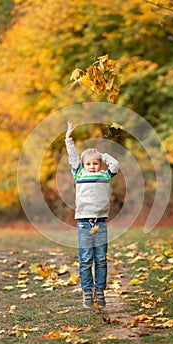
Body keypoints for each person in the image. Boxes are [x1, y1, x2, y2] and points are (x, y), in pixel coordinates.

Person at [65, 121, 119, 308]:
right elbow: (73, 157)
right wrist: (69, 138)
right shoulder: (79, 173)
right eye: (88, 163)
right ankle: (87, 292)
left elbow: (116, 165)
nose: (92, 166)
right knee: (86, 259)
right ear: (83, 165)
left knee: (101, 259)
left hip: (101, 223)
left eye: (95, 163)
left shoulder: (105, 175)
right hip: (84, 223)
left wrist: (101, 155)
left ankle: (100, 291)